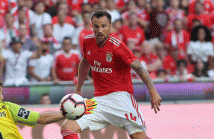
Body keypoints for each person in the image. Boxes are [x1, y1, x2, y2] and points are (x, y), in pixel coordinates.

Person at [60, 11, 162, 139]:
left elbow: (138, 67)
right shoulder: (87, 41)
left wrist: (152, 90)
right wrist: (78, 89)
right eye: (96, 26)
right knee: (67, 128)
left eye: (104, 26)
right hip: (99, 100)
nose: (100, 30)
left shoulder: (117, 44)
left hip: (120, 99)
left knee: (139, 137)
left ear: (110, 26)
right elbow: (85, 62)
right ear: (92, 26)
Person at [0, 79, 84, 138]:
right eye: (1, 93)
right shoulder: (6, 107)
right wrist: (67, 113)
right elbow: (41, 118)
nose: (3, 96)